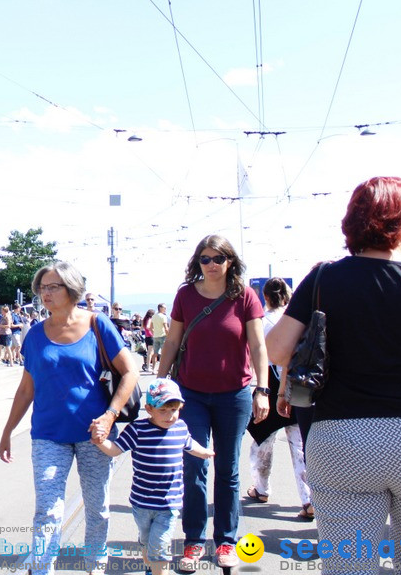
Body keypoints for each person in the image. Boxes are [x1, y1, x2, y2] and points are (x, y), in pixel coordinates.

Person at [267, 177, 401, 575]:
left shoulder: (324, 279)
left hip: (341, 443)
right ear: (400, 223)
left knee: (349, 566)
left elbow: (276, 349)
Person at [0, 261, 139, 575]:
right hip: (48, 434)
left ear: (72, 289)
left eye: (53, 287)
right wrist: (7, 431)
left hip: (95, 435)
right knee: (48, 509)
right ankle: (43, 568)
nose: (45, 293)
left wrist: (110, 416)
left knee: (97, 508)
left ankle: (95, 564)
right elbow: (25, 389)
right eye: (42, 287)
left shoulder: (97, 325)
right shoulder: (34, 335)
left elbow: (130, 371)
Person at [155, 235, 268, 571]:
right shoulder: (186, 295)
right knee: (194, 466)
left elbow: (258, 346)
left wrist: (262, 390)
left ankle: (226, 542)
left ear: (230, 261)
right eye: (205, 259)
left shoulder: (245, 296)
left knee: (228, 470)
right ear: (197, 262)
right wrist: (161, 383)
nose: (212, 264)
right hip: (191, 393)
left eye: (218, 258)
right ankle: (193, 542)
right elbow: (173, 340)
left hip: (234, 395)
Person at [94, 379, 214, 575]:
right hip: (141, 502)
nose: (170, 416)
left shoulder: (181, 427)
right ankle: (149, 561)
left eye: (174, 410)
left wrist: (204, 452)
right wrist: (100, 441)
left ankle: (156, 567)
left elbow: (190, 445)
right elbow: (115, 449)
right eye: (163, 410)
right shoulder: (138, 430)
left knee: (159, 546)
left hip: (168, 503)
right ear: (149, 409)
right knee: (146, 539)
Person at [245, 277, 312, 519]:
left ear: (266, 296)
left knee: (263, 441)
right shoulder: (296, 317)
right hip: (297, 383)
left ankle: (261, 488)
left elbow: (256, 354)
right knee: (299, 444)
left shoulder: (263, 320)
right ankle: (308, 499)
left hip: (270, 383)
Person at [149, 303, 169, 372]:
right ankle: (161, 369)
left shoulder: (154, 316)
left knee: (155, 353)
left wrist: (154, 333)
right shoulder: (163, 317)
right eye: (164, 308)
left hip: (155, 336)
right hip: (163, 336)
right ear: (160, 308)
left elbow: (150, 327)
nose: (165, 309)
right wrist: (168, 335)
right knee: (164, 354)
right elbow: (166, 328)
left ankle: (153, 369)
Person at [141, 309, 155, 373]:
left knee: (149, 352)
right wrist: (153, 331)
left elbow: (142, 328)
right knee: (150, 352)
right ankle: (148, 366)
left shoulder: (144, 319)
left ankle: (148, 365)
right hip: (151, 336)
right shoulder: (150, 319)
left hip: (147, 337)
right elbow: (147, 326)